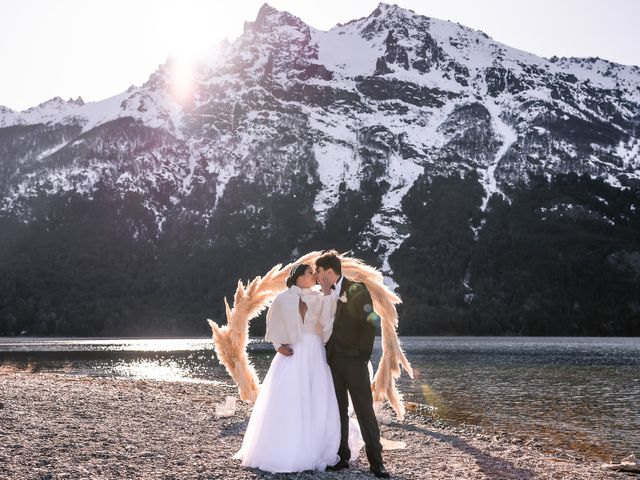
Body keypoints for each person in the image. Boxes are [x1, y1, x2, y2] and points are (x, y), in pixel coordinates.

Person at [233, 263, 340, 473]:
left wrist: (328, 295)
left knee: (315, 396)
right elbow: (272, 324)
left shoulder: (319, 297)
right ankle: (284, 447)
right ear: (299, 276)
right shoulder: (282, 298)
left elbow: (328, 322)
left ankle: (316, 448)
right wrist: (278, 346)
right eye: (311, 273)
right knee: (288, 397)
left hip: (314, 351)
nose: (315, 277)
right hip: (292, 352)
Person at [316, 250, 390, 478]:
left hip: (355, 360)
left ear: (330, 271)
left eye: (319, 272)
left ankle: (376, 462)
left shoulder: (356, 289)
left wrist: (363, 356)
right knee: (338, 410)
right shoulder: (323, 293)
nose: (317, 276)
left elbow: (370, 323)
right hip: (333, 361)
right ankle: (342, 457)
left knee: (364, 410)